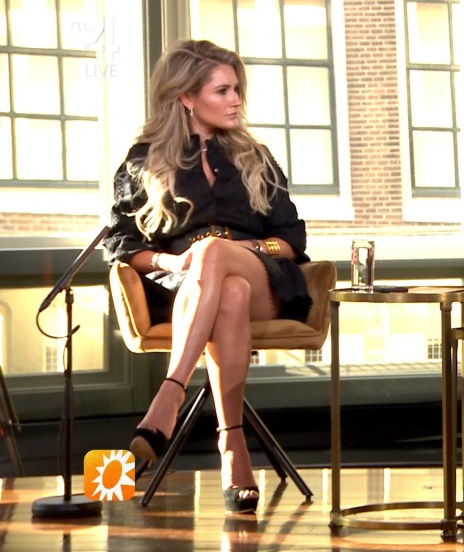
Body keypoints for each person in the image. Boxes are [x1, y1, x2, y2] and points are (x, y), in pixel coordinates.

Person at [104, 40, 312, 514]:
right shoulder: (143, 161)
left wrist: (243, 249)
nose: (236, 99)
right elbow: (121, 245)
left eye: (237, 89)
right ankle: (232, 445)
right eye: (223, 90)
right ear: (187, 97)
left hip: (263, 279)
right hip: (186, 287)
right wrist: (173, 262)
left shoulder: (255, 157)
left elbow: (291, 240)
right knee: (226, 291)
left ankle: (169, 393)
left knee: (221, 259)